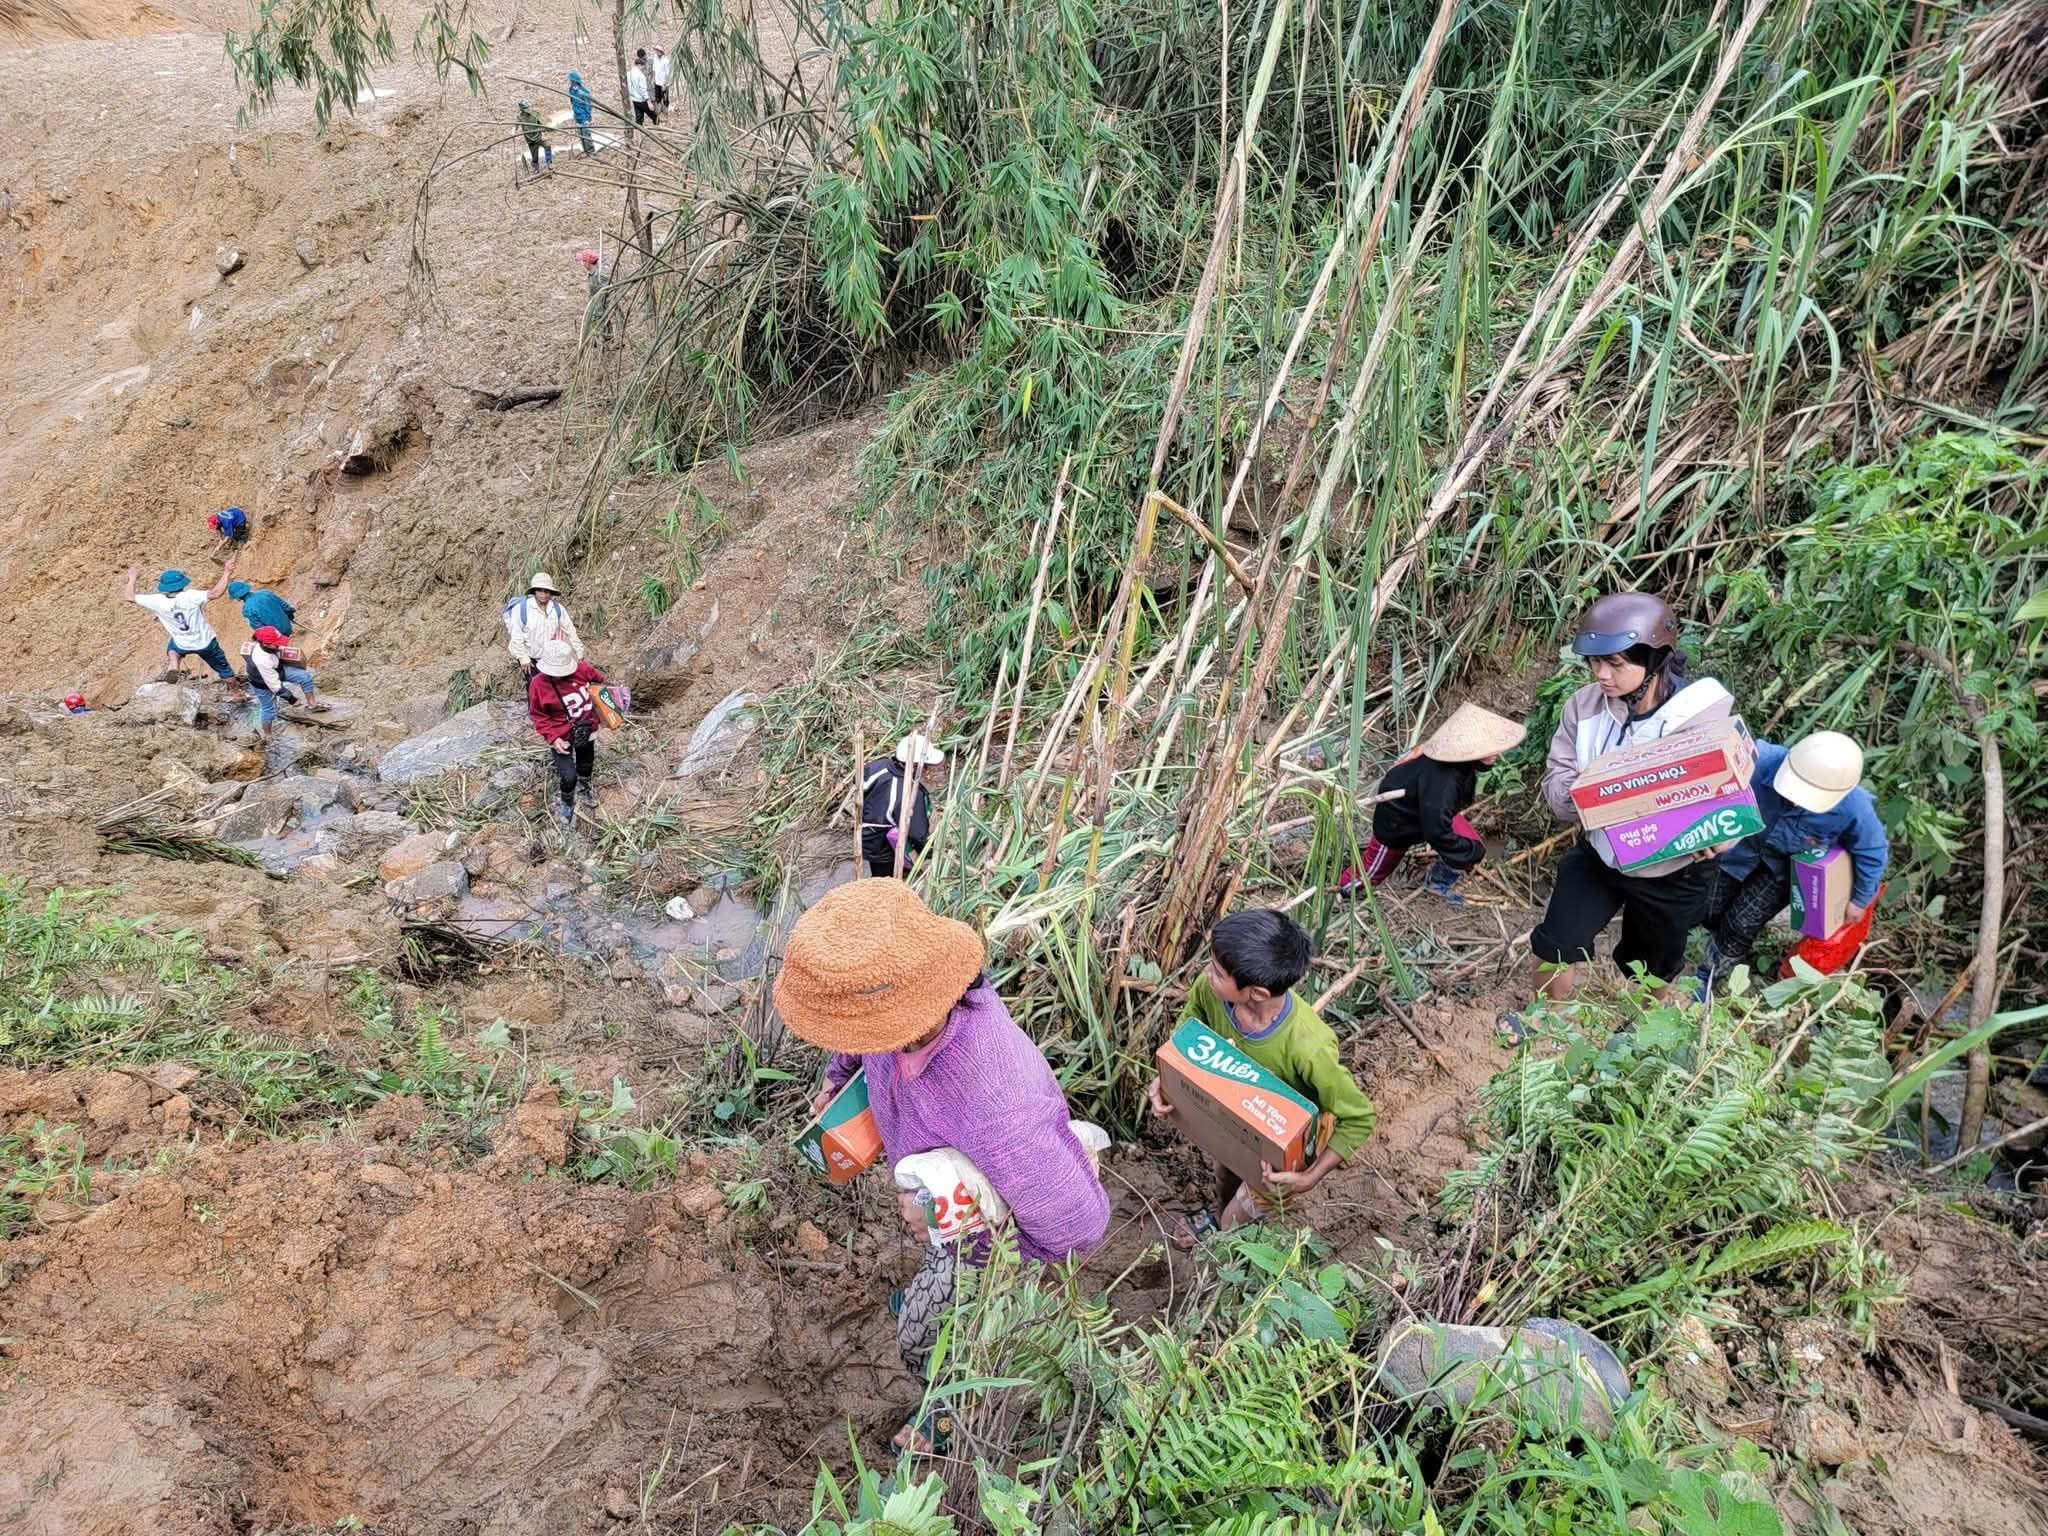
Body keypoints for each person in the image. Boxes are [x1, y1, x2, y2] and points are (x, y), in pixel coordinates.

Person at [783, 879, 1108, 1455]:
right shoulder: (896, 1013)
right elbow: (859, 1041)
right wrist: (838, 1086)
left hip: (994, 1243)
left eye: (857, 1026)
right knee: (935, 1283)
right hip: (948, 1194)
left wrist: (944, 1218)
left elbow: (1074, 1227)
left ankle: (950, 1406)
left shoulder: (994, 1095)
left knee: (928, 1336)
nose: (853, 1038)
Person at [1503, 593, 1737, 1040]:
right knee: (1555, 944)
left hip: (1675, 870)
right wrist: (1595, 795)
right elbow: (1558, 783)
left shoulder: (1700, 716)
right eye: (1594, 663)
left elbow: (1729, 793)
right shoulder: (1584, 708)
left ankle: (1638, 1037)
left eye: (1614, 664)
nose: (1601, 676)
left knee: (1653, 966)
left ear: (1655, 659)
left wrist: (1717, 836)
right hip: (1601, 853)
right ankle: (1549, 1021)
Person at [1146, 909, 1377, 1245]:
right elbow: (1188, 1027)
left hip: (1286, 1151)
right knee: (1226, 1170)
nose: (1207, 973)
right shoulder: (1209, 992)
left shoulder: (1308, 1046)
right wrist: (1170, 1075)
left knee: (1236, 1221)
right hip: (1241, 1120)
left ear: (1256, 993)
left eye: (1218, 971)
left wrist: (1309, 1176)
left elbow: (1359, 1117)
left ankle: (1226, 1247)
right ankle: (1220, 1220)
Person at [1696, 731, 1889, 996]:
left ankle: (1709, 974)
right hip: (1740, 848)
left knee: (1742, 922)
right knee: (1710, 906)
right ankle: (1713, 936)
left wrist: (1860, 899)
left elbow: (1872, 850)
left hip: (1784, 869)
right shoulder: (1758, 760)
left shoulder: (1854, 807)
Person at [1338, 702, 1527, 905]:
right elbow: (1436, 831)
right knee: (1372, 872)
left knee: (1473, 847)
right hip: (1398, 824)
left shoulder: (1460, 766)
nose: (1495, 752)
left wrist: (1468, 850)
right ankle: (1342, 894)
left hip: (1424, 811)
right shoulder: (1444, 780)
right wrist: (1465, 850)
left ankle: (1438, 882)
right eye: (1489, 747)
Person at [528, 639, 605, 827]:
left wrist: (599, 701)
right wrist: (553, 738)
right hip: (561, 735)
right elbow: (538, 715)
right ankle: (567, 801)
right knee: (568, 775)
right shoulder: (538, 685)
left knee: (586, 762)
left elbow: (600, 681)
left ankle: (585, 787)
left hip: (586, 728)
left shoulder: (582, 669)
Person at [127, 564, 236, 681]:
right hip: (205, 642)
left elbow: (130, 597)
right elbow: (215, 593)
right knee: (224, 669)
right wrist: (226, 572)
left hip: (182, 644)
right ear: (182, 584)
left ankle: (174, 666)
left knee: (173, 647)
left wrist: (132, 578)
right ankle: (236, 693)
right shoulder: (191, 596)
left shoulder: (156, 601)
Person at [860, 733, 942, 877]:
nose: (927, 770)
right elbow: (918, 833)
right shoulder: (908, 793)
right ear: (916, 766)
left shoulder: (879, 765)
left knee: (878, 868)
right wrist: (929, 850)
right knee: (885, 877)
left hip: (864, 830)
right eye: (926, 767)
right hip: (880, 843)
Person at [503, 573, 586, 681]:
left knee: (550, 687)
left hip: (548, 658)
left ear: (550, 593)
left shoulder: (557, 609)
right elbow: (516, 635)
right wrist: (523, 658)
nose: (543, 594)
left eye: (546, 591)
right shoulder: (521, 608)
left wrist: (579, 651)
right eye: (540, 590)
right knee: (534, 685)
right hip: (528, 655)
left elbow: (570, 630)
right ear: (534, 591)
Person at [241, 625, 299, 738]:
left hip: (266, 676)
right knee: (268, 709)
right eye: (276, 643)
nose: (279, 645)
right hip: (261, 684)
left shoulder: (267, 647)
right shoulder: (262, 659)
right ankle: (268, 735)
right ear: (265, 644)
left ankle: (264, 724)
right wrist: (291, 698)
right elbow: (274, 685)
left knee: (270, 705)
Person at [227, 578, 294, 635]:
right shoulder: (265, 592)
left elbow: (259, 629)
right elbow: (286, 607)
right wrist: (290, 615)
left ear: (237, 597)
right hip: (288, 627)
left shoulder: (247, 609)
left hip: (277, 636)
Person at [578, 249, 616, 344]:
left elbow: (611, 288)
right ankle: (604, 341)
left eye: (583, 261)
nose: (581, 263)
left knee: (601, 322)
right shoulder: (592, 274)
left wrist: (605, 303)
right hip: (594, 305)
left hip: (600, 306)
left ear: (588, 263)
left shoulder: (600, 275)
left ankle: (606, 343)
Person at [567, 71, 596, 155]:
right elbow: (572, 102)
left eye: (571, 81)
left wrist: (587, 118)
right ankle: (586, 151)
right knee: (581, 135)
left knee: (586, 135)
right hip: (577, 116)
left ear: (575, 81)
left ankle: (591, 151)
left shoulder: (584, 91)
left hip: (584, 117)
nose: (570, 82)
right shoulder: (571, 90)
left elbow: (588, 106)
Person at [516, 100, 550, 171]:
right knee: (535, 157)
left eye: (528, 107)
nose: (528, 109)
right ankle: (536, 168)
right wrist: (513, 131)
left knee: (547, 145)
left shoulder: (535, 114)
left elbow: (542, 123)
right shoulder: (520, 117)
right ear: (522, 109)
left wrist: (546, 128)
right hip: (530, 139)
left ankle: (549, 163)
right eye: (525, 108)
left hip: (538, 137)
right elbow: (516, 126)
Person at [627, 51, 656, 126]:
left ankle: (638, 136)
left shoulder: (628, 73)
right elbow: (643, 90)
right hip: (642, 100)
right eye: (643, 66)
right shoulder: (641, 75)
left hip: (634, 100)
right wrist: (649, 102)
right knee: (654, 116)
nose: (643, 68)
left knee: (639, 120)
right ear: (640, 65)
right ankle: (658, 131)